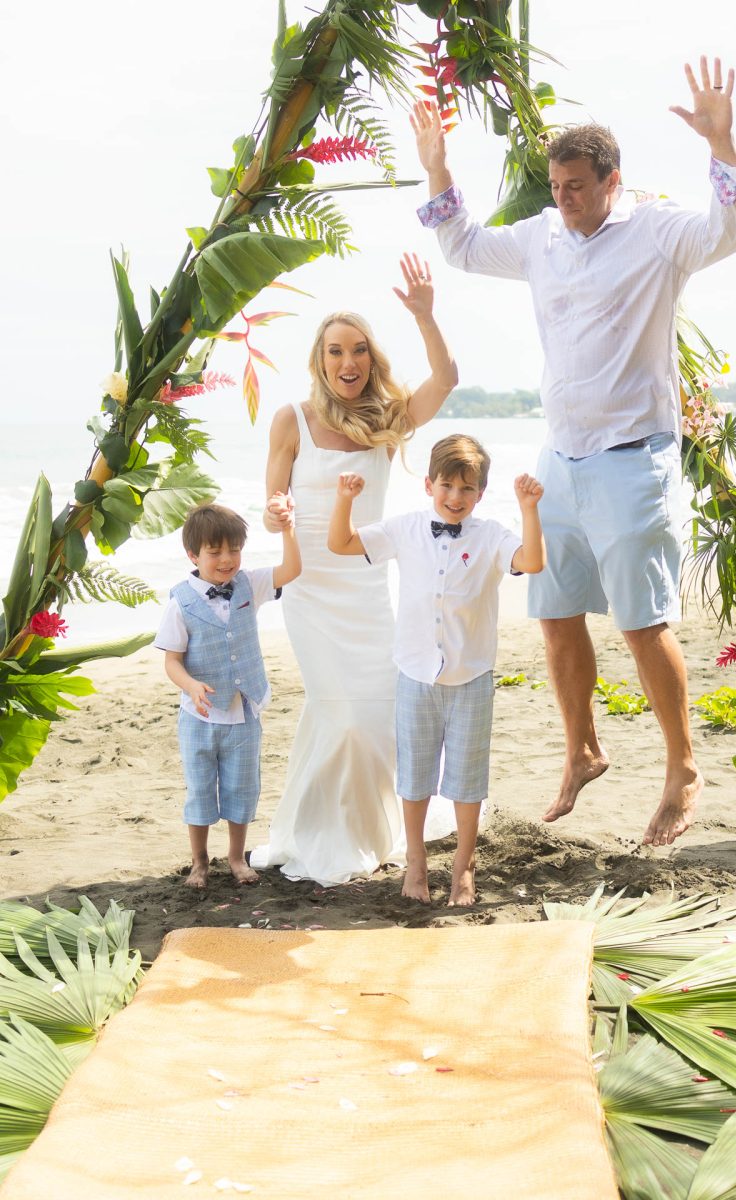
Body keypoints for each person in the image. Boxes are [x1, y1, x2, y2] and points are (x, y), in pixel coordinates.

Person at [411, 55, 736, 847]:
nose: (562, 201)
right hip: (560, 459)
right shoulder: (542, 237)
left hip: (634, 457)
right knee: (554, 612)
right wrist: (437, 167)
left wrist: (723, 145)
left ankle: (683, 767)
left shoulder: (660, 230)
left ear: (610, 179)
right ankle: (583, 749)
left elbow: (731, 230)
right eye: (555, 188)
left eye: (575, 188)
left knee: (641, 621)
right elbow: (461, 245)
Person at [248, 253, 458, 886]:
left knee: (370, 716)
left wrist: (425, 315)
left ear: (371, 359)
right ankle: (321, 835)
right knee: (338, 712)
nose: (348, 362)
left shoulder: (386, 420)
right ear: (321, 361)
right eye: (336, 351)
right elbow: (268, 508)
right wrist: (277, 513)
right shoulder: (293, 420)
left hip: (367, 588)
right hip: (310, 585)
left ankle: (361, 828)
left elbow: (446, 378)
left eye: (359, 351)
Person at [328, 434, 546, 905]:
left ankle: (464, 867)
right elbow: (340, 542)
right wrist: (345, 499)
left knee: (468, 780)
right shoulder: (405, 528)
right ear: (429, 484)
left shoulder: (491, 535)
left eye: (468, 490)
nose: (455, 498)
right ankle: (417, 863)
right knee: (415, 776)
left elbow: (532, 560)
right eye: (447, 486)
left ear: (481, 494)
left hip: (471, 679)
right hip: (415, 676)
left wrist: (529, 508)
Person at [155, 502, 301, 889]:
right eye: (215, 551)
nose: (226, 559)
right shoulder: (180, 602)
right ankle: (200, 861)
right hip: (200, 718)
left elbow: (292, 570)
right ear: (193, 555)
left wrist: (287, 528)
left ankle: (236, 857)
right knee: (200, 790)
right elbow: (172, 662)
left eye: (234, 550)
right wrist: (190, 685)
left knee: (242, 787)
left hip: (245, 712)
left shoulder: (249, 584)